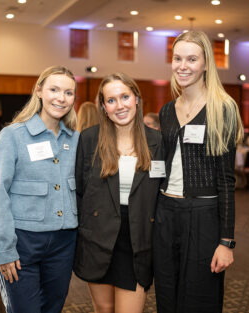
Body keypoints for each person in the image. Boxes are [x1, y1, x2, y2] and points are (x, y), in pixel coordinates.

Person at [153, 30, 243, 313]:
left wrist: (226, 241)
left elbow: (227, 180)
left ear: (206, 63)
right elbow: (163, 165)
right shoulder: (167, 110)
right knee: (166, 294)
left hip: (204, 216)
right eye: (177, 58)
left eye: (191, 59)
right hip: (167, 213)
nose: (183, 65)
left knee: (199, 299)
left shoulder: (222, 108)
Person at [0, 66, 80, 313]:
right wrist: (3, 250)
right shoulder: (12, 136)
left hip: (63, 242)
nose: (61, 98)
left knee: (53, 308)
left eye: (69, 92)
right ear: (39, 91)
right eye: (54, 89)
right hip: (22, 242)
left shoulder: (75, 139)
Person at [74, 73, 164, 313]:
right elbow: (80, 192)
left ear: (136, 98)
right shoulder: (89, 139)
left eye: (125, 96)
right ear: (103, 107)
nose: (120, 105)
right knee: (103, 309)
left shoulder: (157, 141)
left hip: (136, 240)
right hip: (99, 238)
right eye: (111, 100)